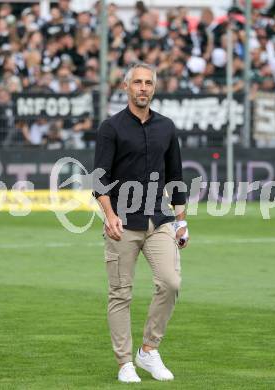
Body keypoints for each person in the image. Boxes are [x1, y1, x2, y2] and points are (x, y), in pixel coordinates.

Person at [93, 62, 189, 383]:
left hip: (159, 220)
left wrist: (181, 221)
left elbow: (175, 177)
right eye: (137, 82)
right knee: (121, 294)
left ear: (154, 87)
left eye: (148, 82)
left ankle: (148, 350)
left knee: (171, 283)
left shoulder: (167, 127)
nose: (143, 88)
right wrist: (110, 215)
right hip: (122, 222)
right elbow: (100, 179)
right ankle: (124, 362)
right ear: (126, 87)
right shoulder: (111, 127)